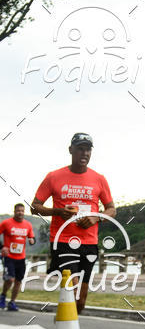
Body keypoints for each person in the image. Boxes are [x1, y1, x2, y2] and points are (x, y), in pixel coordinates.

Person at [31, 133, 116, 314]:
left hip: (89, 243)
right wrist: (58, 212)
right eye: (80, 149)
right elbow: (35, 207)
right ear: (71, 150)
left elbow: (112, 210)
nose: (84, 153)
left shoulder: (99, 178)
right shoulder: (54, 177)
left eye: (88, 149)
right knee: (74, 291)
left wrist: (96, 217)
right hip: (63, 241)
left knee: (81, 302)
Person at [0, 203, 35, 311]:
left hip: (21, 258)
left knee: (18, 281)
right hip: (9, 256)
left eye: (22, 211)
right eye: (18, 211)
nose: (20, 213)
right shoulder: (6, 223)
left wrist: (32, 240)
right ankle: (3, 296)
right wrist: (2, 247)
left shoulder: (28, 225)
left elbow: (32, 237)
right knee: (10, 279)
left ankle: (12, 302)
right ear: (14, 212)